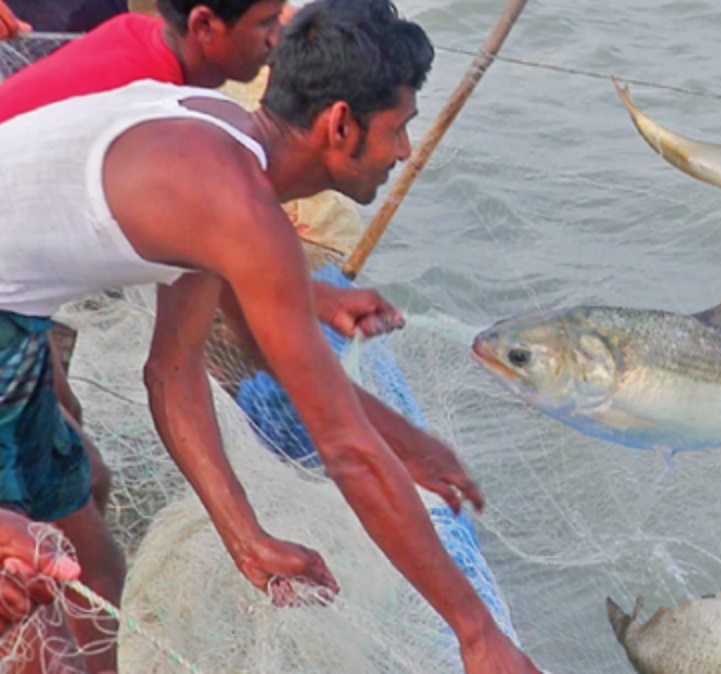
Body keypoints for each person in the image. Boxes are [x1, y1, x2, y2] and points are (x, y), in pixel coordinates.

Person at [0, 1, 540, 672]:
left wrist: (398, 451)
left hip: (17, 317)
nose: (403, 152)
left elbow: (175, 368)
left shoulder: (221, 145)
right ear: (340, 124)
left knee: (96, 569)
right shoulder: (240, 208)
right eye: (398, 128)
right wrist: (477, 634)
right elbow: (346, 452)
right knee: (33, 613)